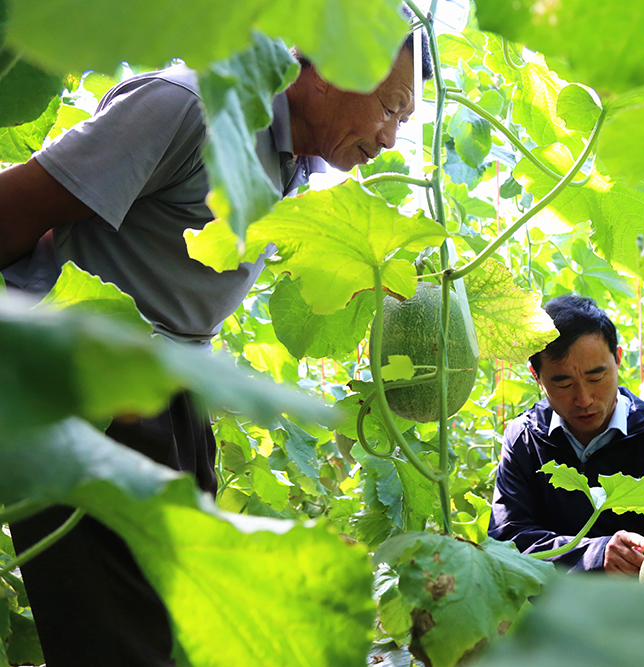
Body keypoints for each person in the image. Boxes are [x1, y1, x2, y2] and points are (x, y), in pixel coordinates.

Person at [0, 14, 432, 667]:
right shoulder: (191, 107)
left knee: (182, 636)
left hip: (173, 395)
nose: (391, 137)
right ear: (330, 68)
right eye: (390, 108)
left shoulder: (293, 163)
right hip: (90, 390)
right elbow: (16, 211)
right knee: (118, 644)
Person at [488, 295, 644, 574]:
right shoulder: (524, 439)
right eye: (564, 384)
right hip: (554, 601)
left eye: (596, 378)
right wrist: (596, 554)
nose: (584, 399)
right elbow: (507, 540)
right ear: (536, 376)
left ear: (618, 359)